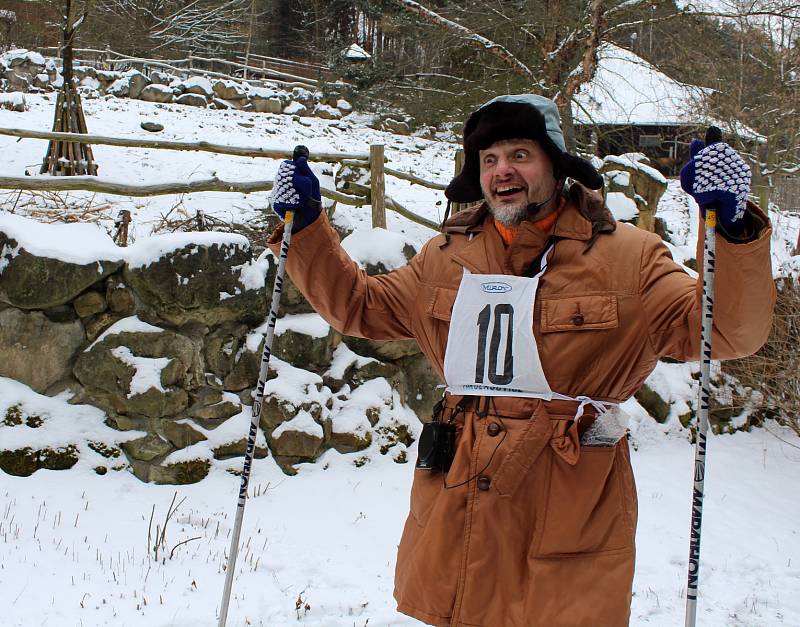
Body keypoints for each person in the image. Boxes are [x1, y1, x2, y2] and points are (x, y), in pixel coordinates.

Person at [266, 94, 775, 627]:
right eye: (489, 159)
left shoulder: (631, 258)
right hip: (460, 494)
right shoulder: (445, 256)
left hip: (568, 494)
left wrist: (730, 229)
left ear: (555, 164)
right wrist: (305, 231)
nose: (502, 170)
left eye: (519, 154)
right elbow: (360, 307)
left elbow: (724, 331)